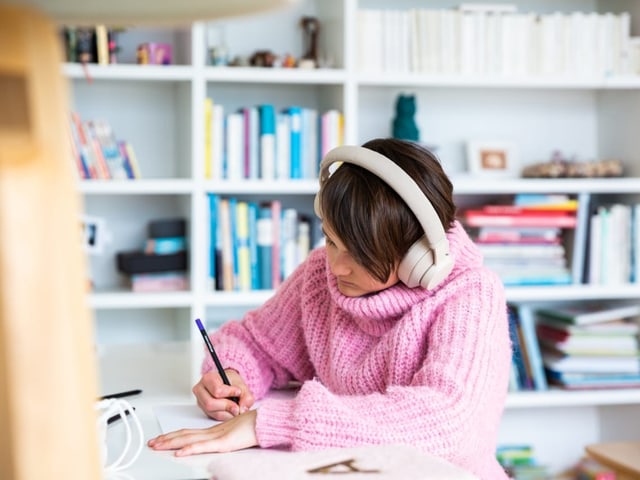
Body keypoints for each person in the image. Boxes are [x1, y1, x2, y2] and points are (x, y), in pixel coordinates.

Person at [148, 138, 512, 480]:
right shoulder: (321, 275)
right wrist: (230, 374)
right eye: (332, 241)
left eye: (359, 254)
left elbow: (448, 423)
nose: (336, 266)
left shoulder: (471, 295)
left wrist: (274, 422)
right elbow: (255, 342)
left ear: (418, 257)